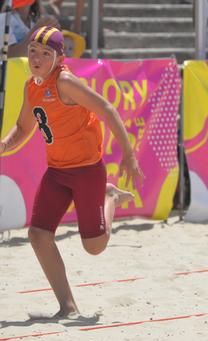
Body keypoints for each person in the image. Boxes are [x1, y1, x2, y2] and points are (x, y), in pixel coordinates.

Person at [0, 26, 144, 318]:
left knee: (94, 247)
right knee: (38, 234)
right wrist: (4, 144)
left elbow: (107, 109)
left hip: (87, 171)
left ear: (59, 57)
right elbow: (24, 127)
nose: (37, 58)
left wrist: (128, 156)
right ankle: (67, 306)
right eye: (32, 52)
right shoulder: (32, 85)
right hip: (57, 171)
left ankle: (111, 197)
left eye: (45, 53)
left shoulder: (65, 81)